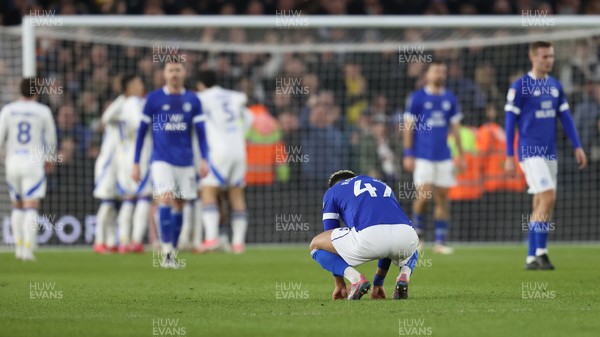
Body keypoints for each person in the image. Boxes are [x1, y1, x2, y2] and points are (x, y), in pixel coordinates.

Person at [505, 41, 587, 270]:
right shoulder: (520, 86)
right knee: (548, 196)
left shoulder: (555, 86)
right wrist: (509, 155)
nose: (548, 60)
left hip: (550, 152)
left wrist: (577, 146)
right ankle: (537, 254)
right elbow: (510, 122)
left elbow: (566, 118)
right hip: (530, 152)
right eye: (544, 57)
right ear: (533, 58)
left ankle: (535, 255)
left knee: (542, 201)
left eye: (551, 56)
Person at [132, 62, 209, 268]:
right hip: (161, 159)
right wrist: (136, 162)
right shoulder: (154, 99)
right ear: (164, 74)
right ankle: (166, 250)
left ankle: (172, 253)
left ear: (184, 73)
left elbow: (201, 133)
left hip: (185, 160)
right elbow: (141, 132)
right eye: (170, 70)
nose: (174, 74)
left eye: (178, 70)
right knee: (164, 198)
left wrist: (204, 158)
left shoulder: (193, 100)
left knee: (180, 204)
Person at [309, 170, 419, 300]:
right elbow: (387, 233)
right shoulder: (382, 185)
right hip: (407, 236)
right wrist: (378, 282)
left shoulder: (332, 191)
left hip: (370, 238)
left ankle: (356, 280)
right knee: (411, 247)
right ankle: (404, 275)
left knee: (316, 246)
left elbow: (329, 233)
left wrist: (339, 283)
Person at [403, 60, 465, 254]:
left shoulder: (450, 99)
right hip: (423, 156)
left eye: (442, 71)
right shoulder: (417, 98)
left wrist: (460, 154)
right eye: (436, 71)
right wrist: (408, 153)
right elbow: (408, 127)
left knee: (443, 198)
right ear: (427, 75)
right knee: (424, 196)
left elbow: (455, 128)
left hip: (444, 156)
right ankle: (418, 236)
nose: (439, 74)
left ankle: (440, 242)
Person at [195, 70, 253, 253]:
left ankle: (211, 238)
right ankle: (238, 244)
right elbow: (250, 116)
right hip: (239, 149)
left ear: (200, 85)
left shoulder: (202, 97)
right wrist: (241, 134)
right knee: (236, 194)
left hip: (219, 151)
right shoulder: (232, 96)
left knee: (208, 191)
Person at [0, 78, 57, 260]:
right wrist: (50, 158)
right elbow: (51, 138)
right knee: (31, 206)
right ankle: (28, 250)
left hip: (13, 161)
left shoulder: (8, 110)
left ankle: (17, 248)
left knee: (16, 205)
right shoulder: (43, 111)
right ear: (37, 92)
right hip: (33, 162)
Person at [101, 74, 151, 253]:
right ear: (129, 88)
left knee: (129, 199)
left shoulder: (121, 105)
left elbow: (105, 118)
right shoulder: (135, 103)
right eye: (137, 83)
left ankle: (123, 240)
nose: (141, 86)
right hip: (140, 156)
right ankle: (135, 241)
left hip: (123, 158)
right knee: (144, 197)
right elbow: (140, 124)